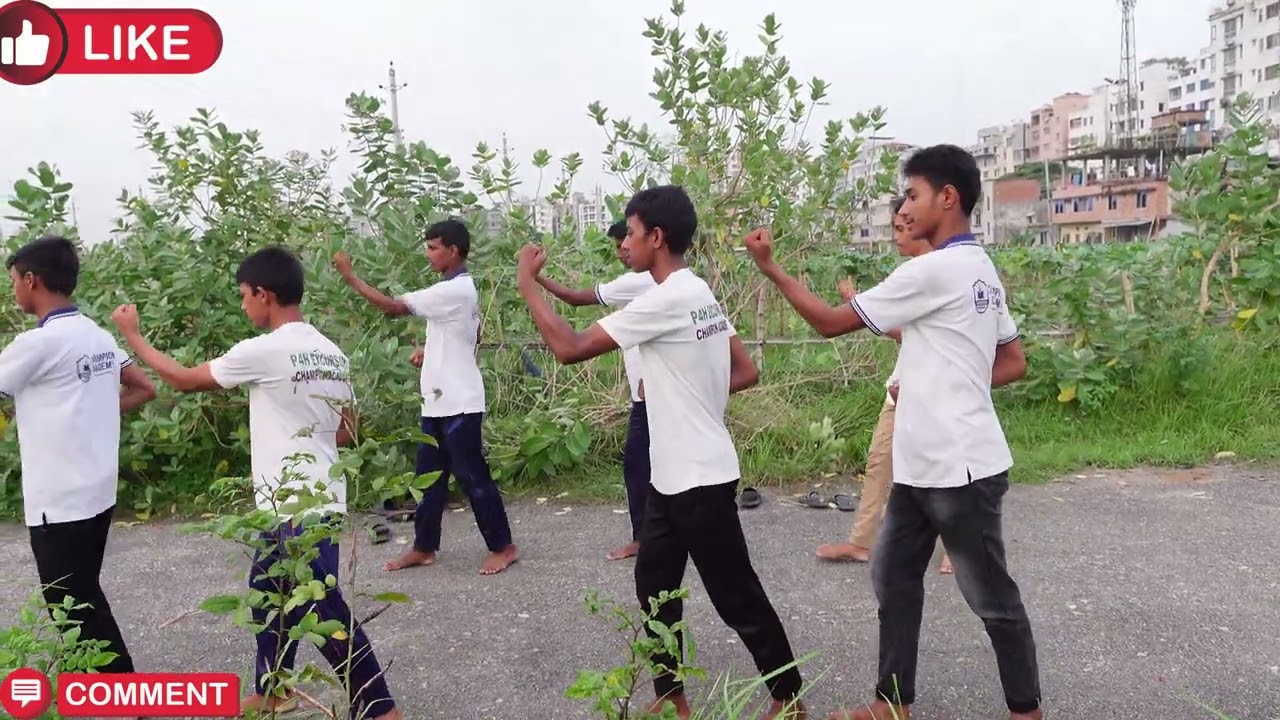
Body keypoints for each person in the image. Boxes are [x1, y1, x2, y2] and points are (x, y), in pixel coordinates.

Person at [745, 145, 1041, 720]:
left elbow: (831, 323)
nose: (904, 206)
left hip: (962, 470)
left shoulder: (934, 268)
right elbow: (1009, 361)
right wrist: (938, 382)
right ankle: (891, 704)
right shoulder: (979, 266)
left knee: (993, 601)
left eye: (912, 194)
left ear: (946, 198)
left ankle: (1027, 712)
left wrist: (771, 268)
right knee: (893, 580)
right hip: (920, 466)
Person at [514, 185, 807, 720]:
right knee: (654, 586)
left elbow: (569, 348)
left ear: (656, 236)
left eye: (629, 232)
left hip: (697, 476)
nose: (624, 242)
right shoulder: (698, 293)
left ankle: (790, 699)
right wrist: (686, 388)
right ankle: (670, 697)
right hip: (673, 475)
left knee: (735, 595)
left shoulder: (667, 298)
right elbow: (744, 371)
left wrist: (527, 284)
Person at [110, 246, 402, 720]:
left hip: (295, 503)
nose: (243, 305)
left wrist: (133, 336)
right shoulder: (331, 352)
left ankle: (379, 706)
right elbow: (347, 429)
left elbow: (184, 381)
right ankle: (272, 689)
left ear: (264, 295)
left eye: (244, 296)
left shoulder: (264, 350)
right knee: (268, 588)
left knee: (320, 606)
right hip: (315, 495)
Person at [0, 235, 156, 675]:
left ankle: (127, 703)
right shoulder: (97, 336)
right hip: (97, 493)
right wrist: (95, 408)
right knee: (83, 597)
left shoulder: (37, 344)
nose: (13, 290)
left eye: (13, 281)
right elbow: (145, 388)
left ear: (32, 280)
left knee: (75, 609)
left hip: (60, 501)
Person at [333, 219, 518, 576]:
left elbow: (392, 307)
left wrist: (349, 277)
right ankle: (424, 547)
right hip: (438, 402)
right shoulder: (453, 290)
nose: (428, 253)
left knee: (472, 478)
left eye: (434, 247)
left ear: (454, 250)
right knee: (427, 478)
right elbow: (471, 335)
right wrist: (429, 353)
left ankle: (503, 546)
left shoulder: (456, 290)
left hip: (460, 402)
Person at [816, 199, 953, 576]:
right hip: (900, 389)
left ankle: (957, 548)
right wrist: (858, 307)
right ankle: (861, 542)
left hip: (929, 395)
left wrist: (854, 308)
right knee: (879, 464)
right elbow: (907, 336)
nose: (896, 235)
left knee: (939, 472)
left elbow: (922, 338)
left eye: (902, 226)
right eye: (894, 226)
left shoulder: (937, 274)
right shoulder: (913, 273)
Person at [535, 219, 656, 561]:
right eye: (620, 244)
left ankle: (644, 539)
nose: (623, 250)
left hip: (651, 397)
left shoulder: (637, 281)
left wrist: (533, 279)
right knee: (658, 467)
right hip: (654, 392)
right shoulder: (672, 284)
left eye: (628, 240)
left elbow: (576, 303)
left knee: (638, 467)